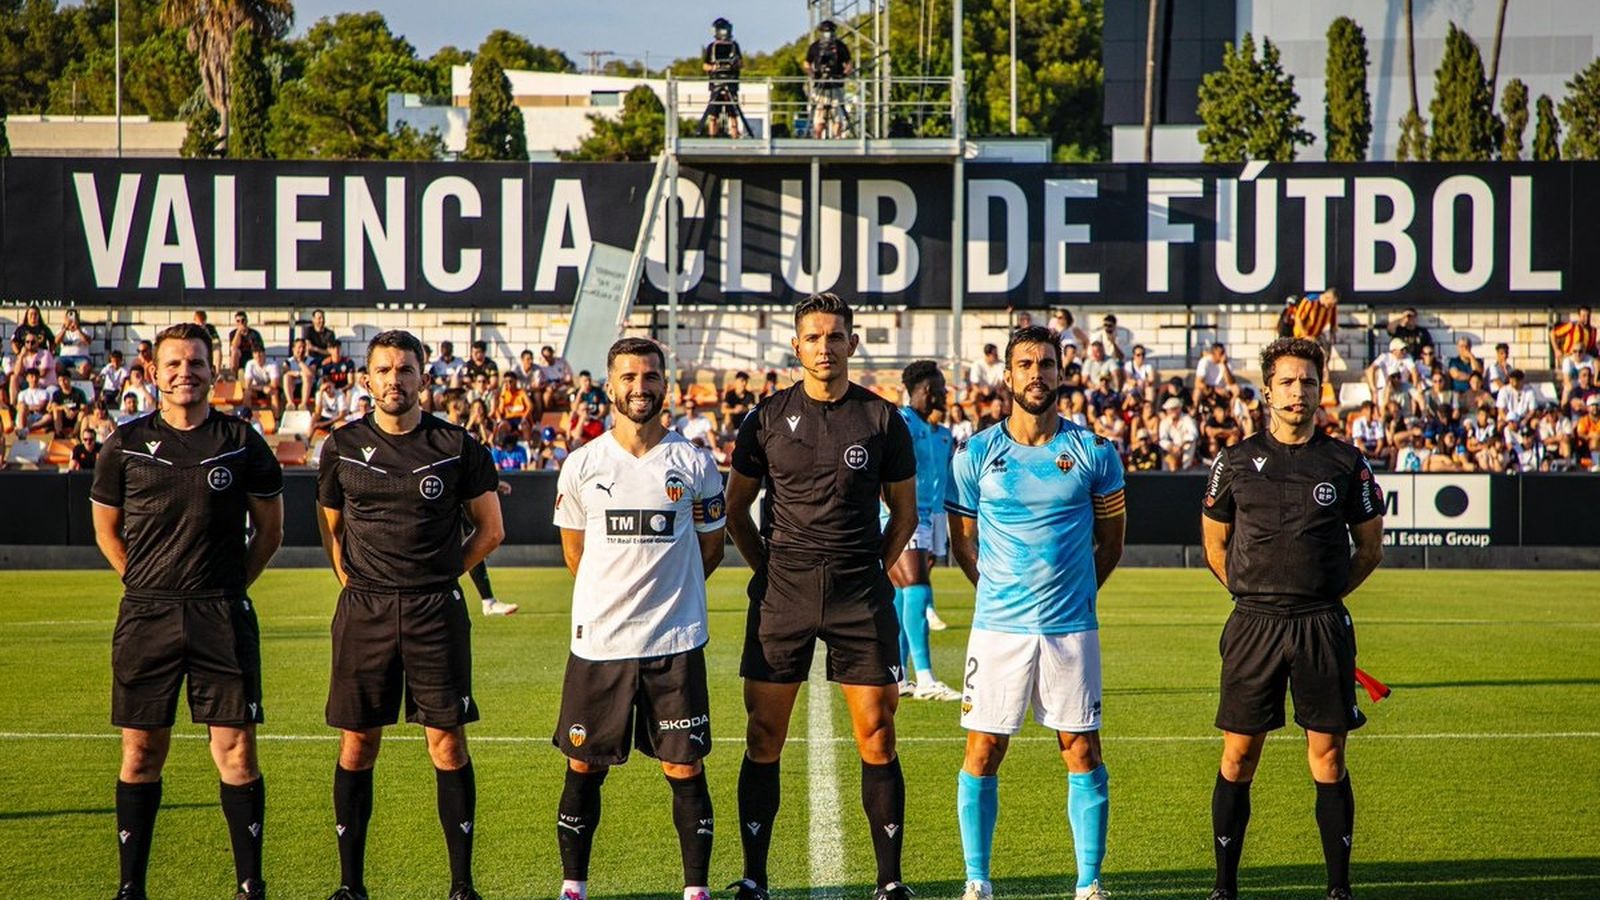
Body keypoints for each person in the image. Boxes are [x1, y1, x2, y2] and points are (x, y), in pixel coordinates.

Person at [725, 292, 918, 900]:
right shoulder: (763, 418)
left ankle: (889, 882)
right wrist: (771, 570)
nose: (825, 347)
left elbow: (905, 515)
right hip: (784, 589)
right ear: (797, 346)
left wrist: (869, 569)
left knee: (878, 733)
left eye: (835, 336)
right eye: (813, 337)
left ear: (852, 344)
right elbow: (735, 511)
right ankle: (755, 875)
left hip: (859, 592)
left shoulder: (884, 419)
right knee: (764, 735)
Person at [91, 322, 284, 900]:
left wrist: (226, 587)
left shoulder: (242, 440)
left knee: (236, 750)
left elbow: (270, 532)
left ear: (214, 371)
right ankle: (131, 886)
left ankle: (250, 883)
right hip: (147, 615)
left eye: (196, 363)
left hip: (220, 615)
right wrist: (145, 582)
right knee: (141, 750)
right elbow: (107, 530)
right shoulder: (123, 444)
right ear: (154, 373)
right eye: (173, 364)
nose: (185, 373)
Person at [316, 330, 504, 900]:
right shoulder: (341, 445)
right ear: (367, 379)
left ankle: (461, 885)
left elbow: (491, 529)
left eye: (405, 370)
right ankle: (351, 886)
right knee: (357, 743)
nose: (394, 380)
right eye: (384, 370)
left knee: (446, 743)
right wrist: (359, 586)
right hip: (365, 612)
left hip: (434, 613)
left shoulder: (456, 444)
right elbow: (332, 531)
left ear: (424, 377)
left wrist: (442, 574)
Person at [1199, 337, 1385, 900]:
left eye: (1308, 381)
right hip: (1253, 624)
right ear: (1267, 389)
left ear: (1319, 388)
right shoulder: (1232, 461)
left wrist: (1322, 594)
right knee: (1239, 753)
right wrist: (1255, 593)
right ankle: (1225, 887)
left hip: (1321, 626)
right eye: (1287, 381)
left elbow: (1370, 549)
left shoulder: (1346, 462)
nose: (1298, 391)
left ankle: (1338, 888)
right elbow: (1214, 545)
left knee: (1327, 755)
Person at [946, 324, 1127, 900]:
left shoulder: (1095, 452)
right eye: (1025, 364)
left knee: (1081, 748)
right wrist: (994, 590)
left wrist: (1078, 592)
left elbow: (1111, 540)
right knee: (983, 748)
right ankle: (978, 880)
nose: (1036, 374)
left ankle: (1088, 883)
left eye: (1046, 364)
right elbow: (963, 541)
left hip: (1070, 628)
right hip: (997, 629)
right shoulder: (975, 453)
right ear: (1008, 375)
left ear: (1060, 372)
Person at [550, 336, 726, 900]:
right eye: (629, 377)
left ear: (664, 385)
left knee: (685, 769)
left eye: (650, 377)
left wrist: (669, 595)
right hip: (601, 643)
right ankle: (573, 885)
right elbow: (575, 554)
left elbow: (712, 548)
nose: (640, 387)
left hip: (673, 641)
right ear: (610, 386)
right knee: (584, 765)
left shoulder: (694, 463)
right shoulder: (583, 464)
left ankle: (695, 889)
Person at [885, 360, 960, 702]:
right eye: (943, 388)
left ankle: (897, 676)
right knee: (916, 587)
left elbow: (940, 484)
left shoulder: (939, 434)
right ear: (928, 390)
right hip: (904, 517)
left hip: (928, 520)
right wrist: (892, 513)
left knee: (905, 595)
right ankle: (926, 678)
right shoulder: (900, 421)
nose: (947, 394)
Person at [803, 19, 854, 138]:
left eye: (830, 31)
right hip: (821, 85)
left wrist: (844, 74)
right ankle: (818, 138)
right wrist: (812, 74)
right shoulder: (815, 47)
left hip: (836, 84)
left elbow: (849, 62)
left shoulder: (840, 46)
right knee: (819, 115)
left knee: (837, 115)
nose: (828, 34)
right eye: (825, 31)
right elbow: (807, 63)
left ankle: (837, 137)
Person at [702, 16, 746, 137]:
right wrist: (713, 67)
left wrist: (734, 64)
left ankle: (735, 137)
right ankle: (712, 137)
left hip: (731, 83)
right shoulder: (712, 47)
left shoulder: (734, 46)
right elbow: (705, 65)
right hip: (716, 84)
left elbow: (741, 63)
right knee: (713, 115)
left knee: (733, 113)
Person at [1550, 306, 1598, 392]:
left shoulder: (1593, 330)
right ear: (1579, 316)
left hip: (1584, 358)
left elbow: (1592, 348)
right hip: (1570, 357)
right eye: (1583, 316)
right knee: (1569, 384)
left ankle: (1594, 385)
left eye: (1588, 316)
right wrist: (1556, 349)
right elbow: (1553, 333)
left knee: (1595, 365)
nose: (1586, 319)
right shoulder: (1572, 326)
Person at [48, 369, 90, 438]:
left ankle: (74, 434)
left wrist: (75, 412)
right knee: (56, 411)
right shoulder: (57, 394)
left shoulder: (79, 393)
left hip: (75, 417)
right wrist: (64, 407)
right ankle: (59, 433)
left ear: (69, 379)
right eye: (60, 381)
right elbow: (53, 407)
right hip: (62, 418)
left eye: (65, 380)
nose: (63, 383)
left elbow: (84, 408)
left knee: (82, 414)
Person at [228, 312, 264, 376]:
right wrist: (238, 332)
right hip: (239, 357)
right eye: (238, 321)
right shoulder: (233, 333)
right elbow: (234, 346)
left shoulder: (254, 333)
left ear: (246, 321)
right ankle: (233, 376)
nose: (241, 323)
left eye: (243, 320)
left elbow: (258, 349)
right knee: (234, 351)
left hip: (251, 356)